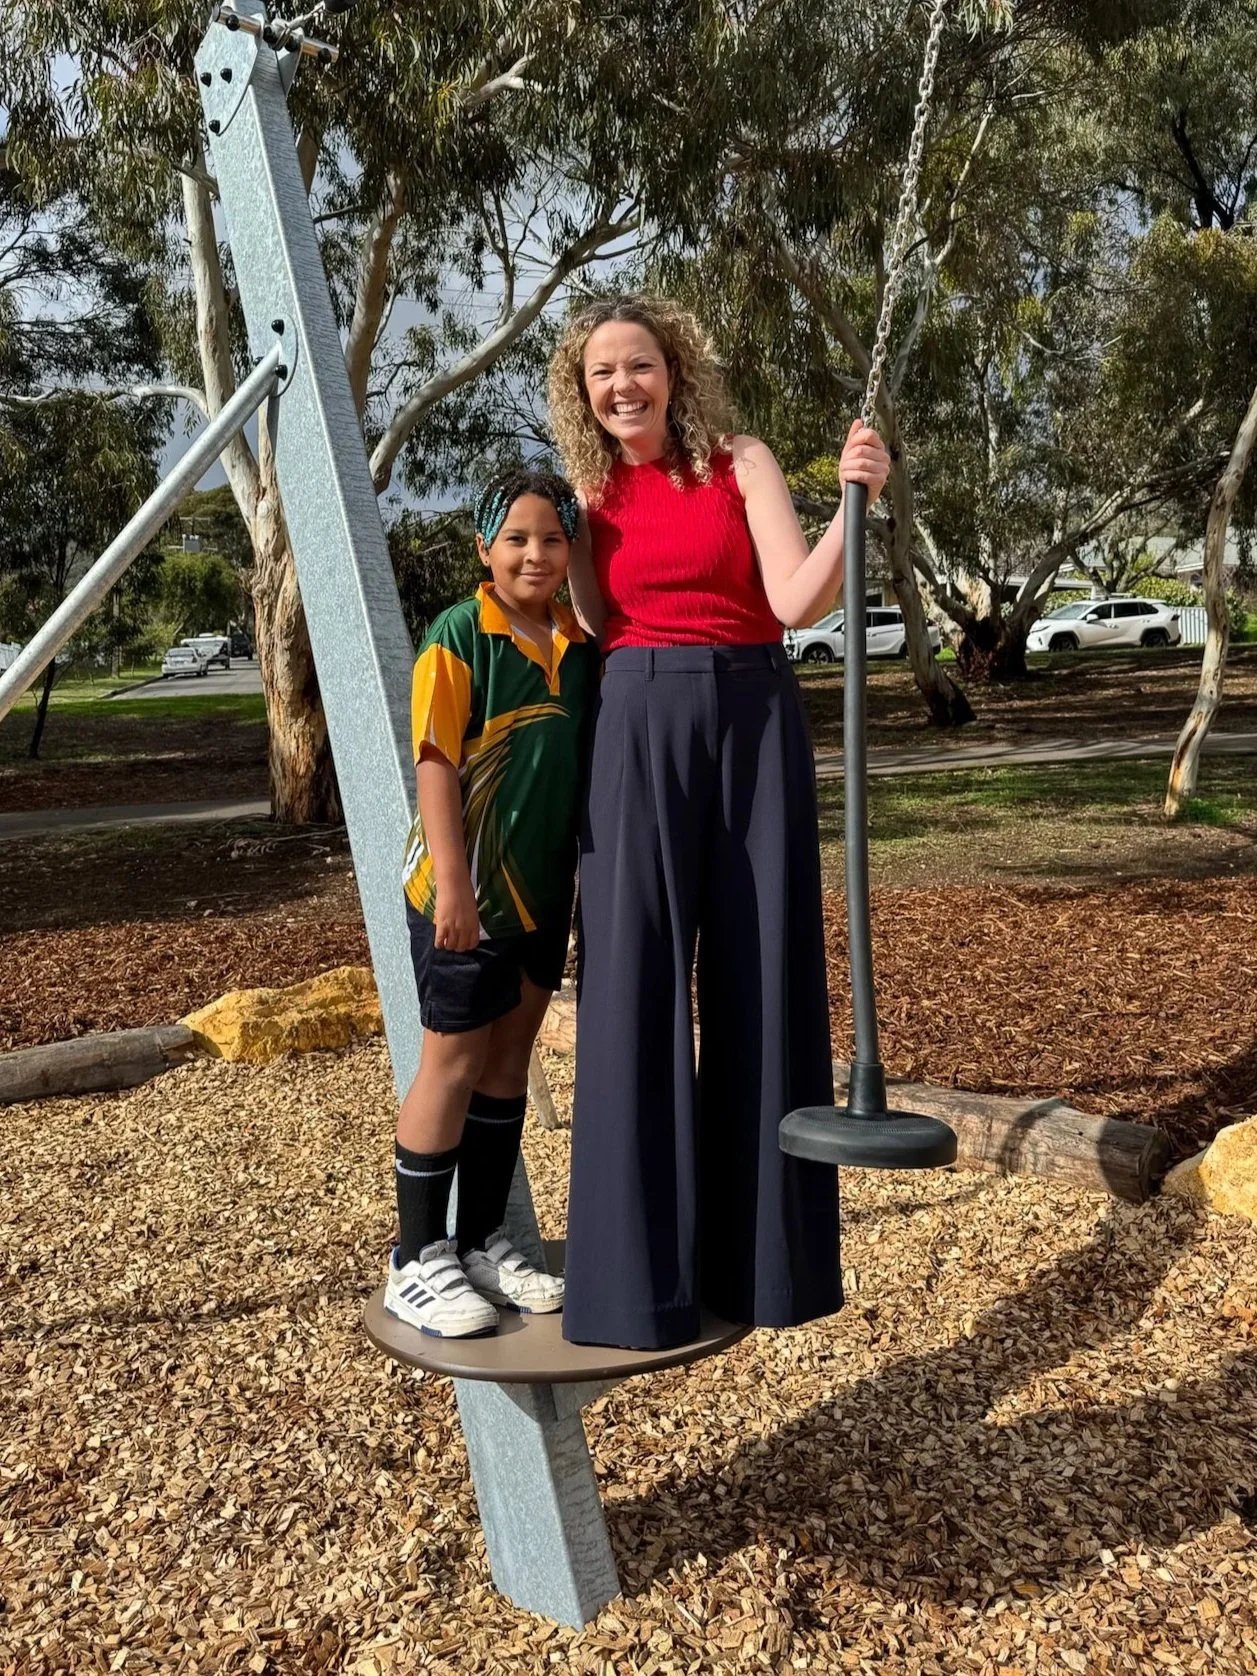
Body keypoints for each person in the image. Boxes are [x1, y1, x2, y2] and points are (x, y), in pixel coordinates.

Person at [547, 294, 891, 1350]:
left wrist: (852, 505)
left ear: (674, 368)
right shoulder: (588, 495)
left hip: (750, 714)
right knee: (633, 983)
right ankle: (631, 1283)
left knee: (759, 974)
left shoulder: (739, 461)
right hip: (634, 724)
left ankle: (763, 1268)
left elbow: (794, 601)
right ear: (582, 391)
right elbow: (591, 621)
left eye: (638, 365)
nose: (622, 386)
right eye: (602, 373)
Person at [385, 467, 599, 1339]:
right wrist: (455, 886)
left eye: (551, 538)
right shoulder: (458, 635)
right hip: (461, 896)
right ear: (484, 548)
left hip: (542, 894)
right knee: (451, 1063)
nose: (534, 554)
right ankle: (414, 1257)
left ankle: (481, 1239)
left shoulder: (580, 642)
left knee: (508, 1063)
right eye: (515, 538)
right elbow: (435, 762)